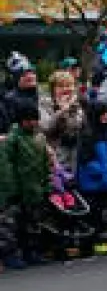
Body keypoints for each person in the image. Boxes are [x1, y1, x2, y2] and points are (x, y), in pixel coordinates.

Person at [0, 103, 51, 267]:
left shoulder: (40, 138)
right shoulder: (12, 139)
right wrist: (11, 189)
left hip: (35, 188)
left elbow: (44, 163)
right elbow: (6, 167)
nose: (33, 123)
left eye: (35, 119)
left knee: (32, 222)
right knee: (10, 225)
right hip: (17, 189)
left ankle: (32, 252)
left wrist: (46, 185)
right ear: (21, 121)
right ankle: (10, 255)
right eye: (29, 120)